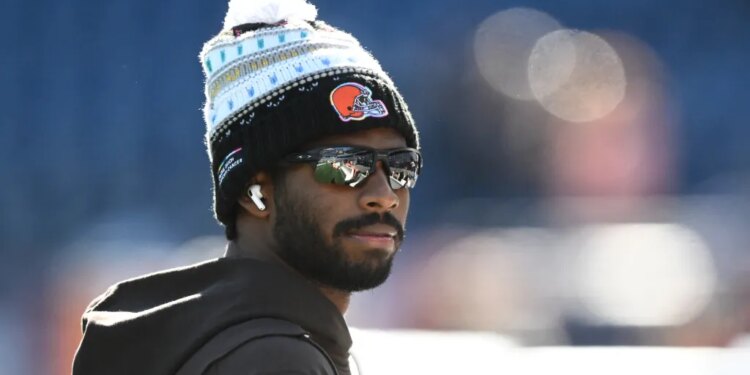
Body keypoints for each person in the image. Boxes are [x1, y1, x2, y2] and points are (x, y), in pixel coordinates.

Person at [71, 0, 421, 374]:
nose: (384, 195)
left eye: (402, 168)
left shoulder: (218, 340)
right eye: (344, 166)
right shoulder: (274, 360)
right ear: (254, 192)